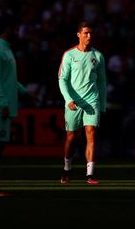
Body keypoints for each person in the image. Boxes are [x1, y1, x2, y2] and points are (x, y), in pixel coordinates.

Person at [0, 13, 35, 197]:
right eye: (15, 28)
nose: (17, 32)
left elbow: (9, 80)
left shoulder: (6, 50)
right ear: (7, 29)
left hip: (3, 107)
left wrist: (25, 93)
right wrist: (3, 103)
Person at [58, 21, 107, 185]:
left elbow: (102, 82)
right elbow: (62, 80)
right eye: (85, 33)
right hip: (73, 103)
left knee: (91, 135)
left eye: (91, 33)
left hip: (92, 101)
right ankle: (66, 169)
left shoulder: (98, 56)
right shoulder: (69, 55)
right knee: (71, 138)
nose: (89, 36)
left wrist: (103, 103)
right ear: (78, 34)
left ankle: (90, 174)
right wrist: (68, 99)